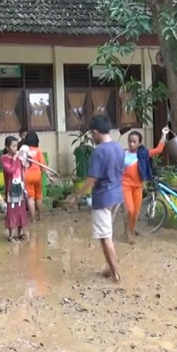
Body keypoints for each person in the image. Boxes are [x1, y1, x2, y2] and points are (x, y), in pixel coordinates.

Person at [68, 115, 124, 282]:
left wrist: (76, 196)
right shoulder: (118, 147)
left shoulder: (99, 151)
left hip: (103, 198)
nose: (92, 138)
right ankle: (109, 268)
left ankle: (115, 274)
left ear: (95, 132)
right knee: (108, 234)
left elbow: (92, 178)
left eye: (92, 135)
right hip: (117, 196)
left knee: (105, 237)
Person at [122, 126, 169, 241]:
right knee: (130, 210)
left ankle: (132, 228)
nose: (131, 144)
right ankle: (128, 233)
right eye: (130, 141)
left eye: (134, 142)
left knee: (137, 211)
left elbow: (158, 150)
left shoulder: (142, 153)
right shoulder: (122, 154)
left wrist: (163, 134)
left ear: (139, 143)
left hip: (138, 186)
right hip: (125, 186)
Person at [1, 136, 29, 242]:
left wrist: (24, 157)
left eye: (16, 146)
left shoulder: (18, 157)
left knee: (21, 210)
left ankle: (20, 233)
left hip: (20, 187)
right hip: (11, 189)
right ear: (7, 147)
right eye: (13, 146)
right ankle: (11, 235)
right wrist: (14, 159)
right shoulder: (4, 158)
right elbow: (11, 171)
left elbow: (25, 167)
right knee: (11, 211)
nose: (15, 148)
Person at [20, 131, 46, 221]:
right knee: (39, 196)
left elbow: (20, 163)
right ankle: (40, 216)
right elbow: (43, 164)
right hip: (37, 175)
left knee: (30, 198)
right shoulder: (38, 150)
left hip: (27, 176)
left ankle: (33, 219)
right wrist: (48, 176)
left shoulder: (23, 150)